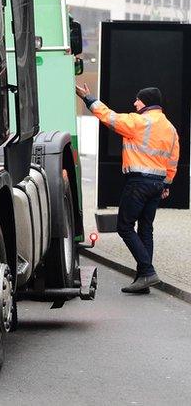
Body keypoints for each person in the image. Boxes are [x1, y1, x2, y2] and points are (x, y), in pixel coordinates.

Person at [76, 84, 180, 293]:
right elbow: (173, 159)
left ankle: (148, 272)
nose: (135, 103)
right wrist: (167, 184)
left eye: (138, 100)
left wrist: (88, 98)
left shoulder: (140, 121)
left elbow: (109, 118)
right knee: (146, 229)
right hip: (157, 185)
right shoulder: (170, 128)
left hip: (139, 183)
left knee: (124, 226)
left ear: (147, 102)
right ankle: (143, 279)